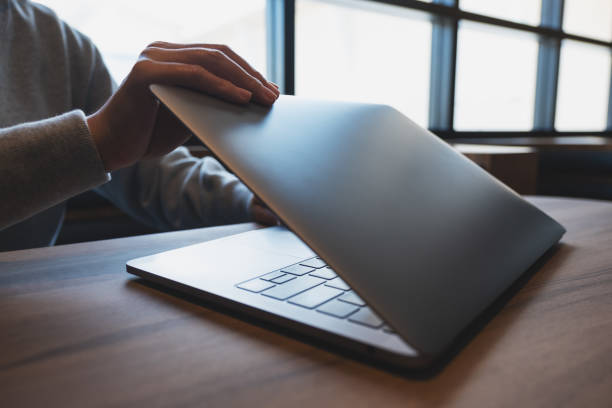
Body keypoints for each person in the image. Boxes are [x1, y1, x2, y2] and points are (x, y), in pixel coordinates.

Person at [0, 0, 278, 251]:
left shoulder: (56, 39)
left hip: (30, 293)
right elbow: (106, 142)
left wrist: (250, 201)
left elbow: (140, 164)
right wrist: (101, 138)